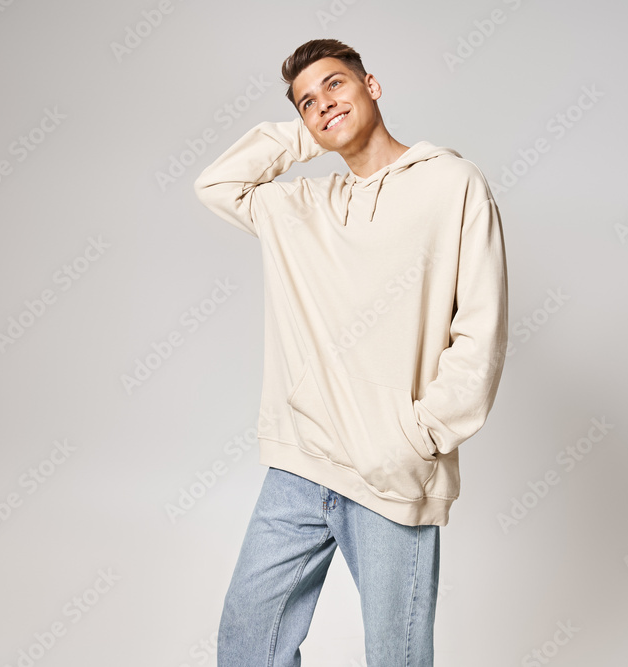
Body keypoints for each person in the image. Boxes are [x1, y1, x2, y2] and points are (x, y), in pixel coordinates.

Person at [192, 37, 508, 667]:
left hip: (392, 472)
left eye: (335, 85)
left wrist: (419, 436)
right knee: (247, 645)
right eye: (308, 102)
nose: (323, 103)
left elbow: (480, 327)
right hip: (302, 466)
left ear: (373, 85)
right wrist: (311, 136)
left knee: (397, 658)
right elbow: (218, 183)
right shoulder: (305, 206)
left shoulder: (451, 183)